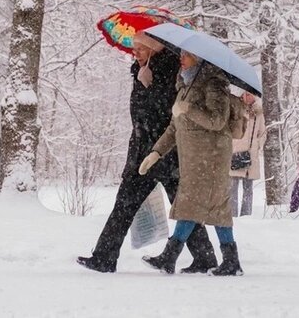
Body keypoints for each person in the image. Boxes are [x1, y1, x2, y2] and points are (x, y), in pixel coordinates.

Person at [77, 33, 215, 274]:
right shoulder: (140, 71)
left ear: (153, 50)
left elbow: (166, 113)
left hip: (163, 153)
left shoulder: (170, 71)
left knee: (160, 206)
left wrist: (149, 87)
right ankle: (104, 257)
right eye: (134, 49)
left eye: (140, 49)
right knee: (133, 205)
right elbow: (139, 116)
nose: (135, 53)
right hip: (144, 152)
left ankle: (104, 258)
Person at [139, 51, 243, 276]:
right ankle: (174, 257)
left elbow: (217, 121)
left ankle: (226, 261)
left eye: (187, 55)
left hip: (212, 157)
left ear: (200, 58)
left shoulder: (214, 84)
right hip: (193, 159)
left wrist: (189, 109)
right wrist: (156, 153)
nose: (181, 58)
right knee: (194, 204)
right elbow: (174, 128)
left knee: (211, 205)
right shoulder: (185, 85)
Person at [229, 92, 266, 217]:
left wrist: (257, 145)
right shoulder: (235, 109)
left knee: (248, 188)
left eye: (251, 95)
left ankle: (246, 216)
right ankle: (232, 216)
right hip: (235, 152)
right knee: (233, 187)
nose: (249, 97)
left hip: (251, 154)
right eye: (246, 94)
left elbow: (263, 133)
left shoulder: (258, 113)